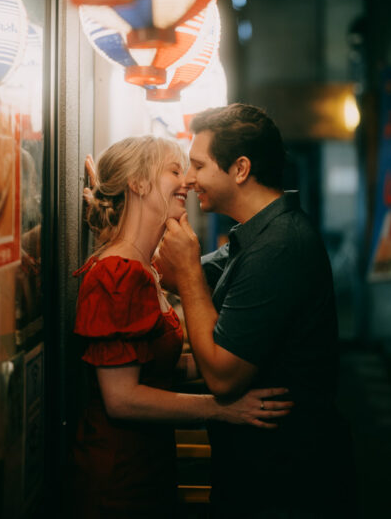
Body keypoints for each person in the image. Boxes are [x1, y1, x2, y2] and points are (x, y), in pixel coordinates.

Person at [67, 135, 293, 519]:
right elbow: (121, 399)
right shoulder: (116, 273)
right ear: (137, 184)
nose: (187, 181)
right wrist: (223, 408)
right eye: (175, 170)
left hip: (148, 464)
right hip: (118, 478)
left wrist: (244, 368)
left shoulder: (143, 269)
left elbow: (154, 364)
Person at [157, 104, 357, 519]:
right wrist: (115, 204)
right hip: (263, 473)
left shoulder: (279, 245)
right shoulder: (255, 236)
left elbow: (223, 376)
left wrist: (190, 272)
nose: (190, 180)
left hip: (286, 481)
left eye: (197, 165)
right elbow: (170, 274)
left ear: (241, 168)